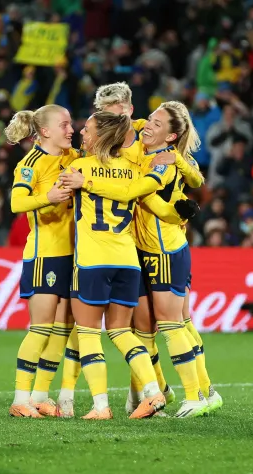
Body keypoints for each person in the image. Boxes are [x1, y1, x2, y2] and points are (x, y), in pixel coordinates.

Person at [59, 111, 185, 420]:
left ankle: (101, 406)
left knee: (88, 332)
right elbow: (147, 201)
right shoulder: (133, 171)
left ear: (101, 136)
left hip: (92, 260)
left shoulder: (79, 168)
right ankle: (154, 392)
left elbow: (56, 202)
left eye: (87, 130)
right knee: (120, 331)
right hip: (128, 262)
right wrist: (178, 215)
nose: (81, 134)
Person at [93, 83, 206, 414]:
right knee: (141, 328)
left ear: (128, 110)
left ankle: (200, 392)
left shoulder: (153, 144)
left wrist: (176, 208)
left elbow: (154, 193)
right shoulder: (118, 144)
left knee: (175, 322)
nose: (108, 121)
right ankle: (156, 390)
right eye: (102, 115)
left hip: (165, 248)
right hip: (135, 249)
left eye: (114, 113)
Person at [142, 101, 223, 415]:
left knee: (170, 324)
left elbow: (146, 195)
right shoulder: (161, 155)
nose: (148, 125)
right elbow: (196, 179)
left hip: (161, 249)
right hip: (169, 246)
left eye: (157, 123)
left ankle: (194, 396)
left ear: (171, 136)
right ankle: (206, 391)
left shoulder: (163, 162)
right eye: (150, 118)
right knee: (183, 322)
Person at [2, 105, 77, 419]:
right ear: (45, 131)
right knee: (42, 328)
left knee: (63, 329)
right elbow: (16, 202)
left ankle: (40, 396)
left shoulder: (73, 156)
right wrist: (49, 197)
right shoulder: (31, 162)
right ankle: (20, 398)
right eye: (65, 124)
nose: (71, 130)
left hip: (73, 255)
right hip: (44, 253)